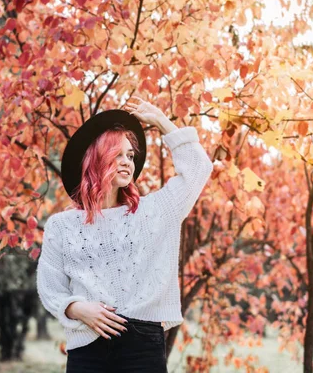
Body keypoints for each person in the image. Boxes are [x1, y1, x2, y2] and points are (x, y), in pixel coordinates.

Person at [36, 97, 213, 372]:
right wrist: (77, 308)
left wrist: (162, 121)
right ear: (96, 158)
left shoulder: (154, 212)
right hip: (87, 347)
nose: (127, 162)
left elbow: (198, 169)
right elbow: (51, 288)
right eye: (117, 154)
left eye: (130, 155)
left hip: (142, 348)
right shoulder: (62, 226)